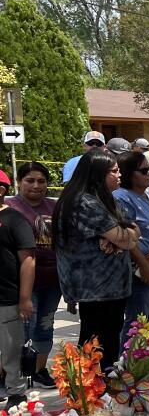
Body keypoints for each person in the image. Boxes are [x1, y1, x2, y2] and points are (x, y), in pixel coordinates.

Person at [52, 151, 138, 369]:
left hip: (112, 289)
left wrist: (122, 236)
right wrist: (122, 237)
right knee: (95, 348)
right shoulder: (84, 203)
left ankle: (105, 394)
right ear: (98, 174)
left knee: (108, 344)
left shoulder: (104, 199)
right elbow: (126, 240)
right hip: (97, 289)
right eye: (114, 171)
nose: (120, 175)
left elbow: (132, 228)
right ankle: (90, 397)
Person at [7, 162, 59, 386]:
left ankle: (39, 370)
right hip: (20, 281)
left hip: (52, 280)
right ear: (19, 183)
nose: (36, 185)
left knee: (45, 325)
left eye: (41, 181)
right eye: (30, 180)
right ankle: (16, 374)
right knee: (21, 329)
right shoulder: (10, 207)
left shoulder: (55, 207)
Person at [115, 151, 149, 343]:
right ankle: (129, 368)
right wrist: (144, 265)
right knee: (137, 324)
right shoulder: (121, 197)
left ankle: (147, 365)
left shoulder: (146, 196)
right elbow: (125, 237)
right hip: (139, 270)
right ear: (129, 173)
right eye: (144, 170)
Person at [0, 193, 34, 405]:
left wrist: (25, 298)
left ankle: (16, 392)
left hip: (7, 297)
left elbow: (28, 260)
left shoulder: (14, 219)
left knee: (11, 349)